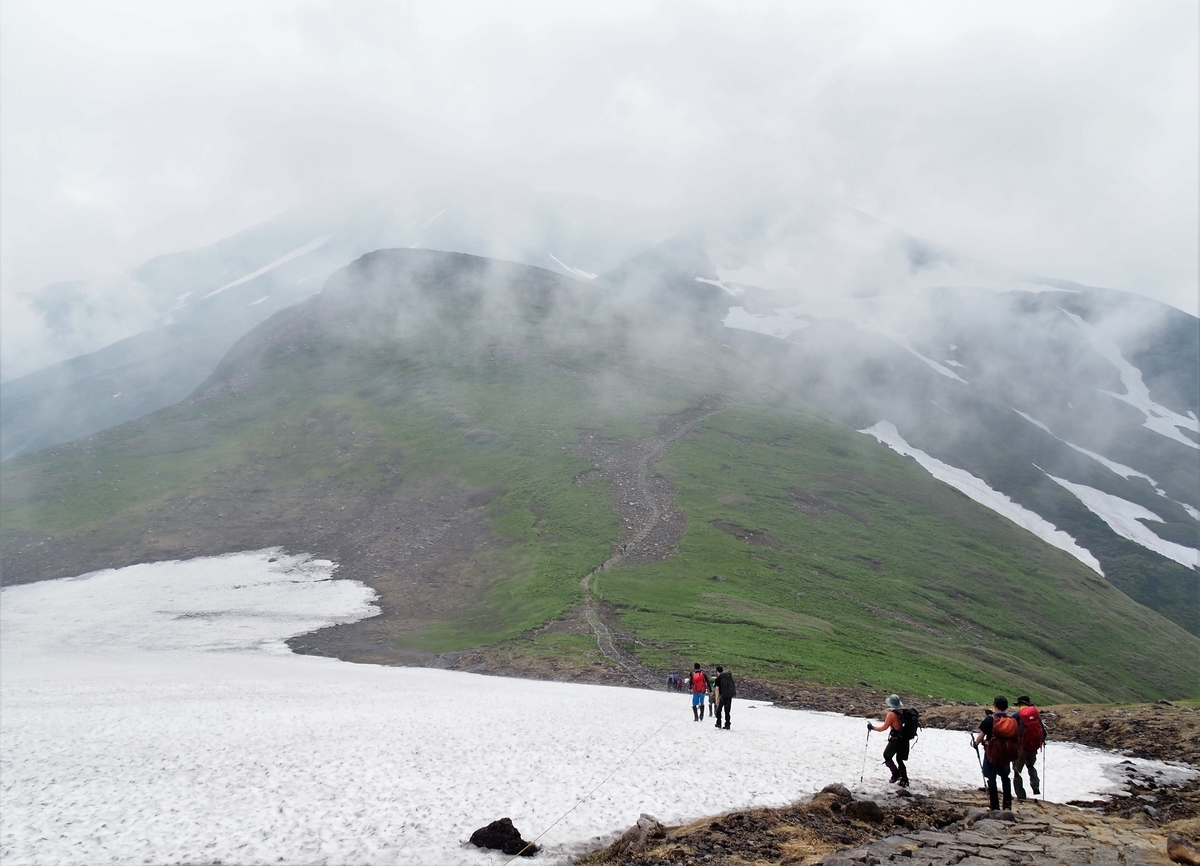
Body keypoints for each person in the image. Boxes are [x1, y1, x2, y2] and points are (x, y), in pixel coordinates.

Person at [973, 695, 1018, 811]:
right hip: (1006, 752)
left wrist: (976, 743)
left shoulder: (990, 719)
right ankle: (1007, 805)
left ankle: (994, 806)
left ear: (995, 706)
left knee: (991, 777)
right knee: (1005, 777)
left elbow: (980, 737)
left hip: (992, 752)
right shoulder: (1012, 720)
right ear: (1006, 707)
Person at [868, 694, 909, 787]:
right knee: (899, 759)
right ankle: (904, 779)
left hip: (895, 740)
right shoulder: (904, 713)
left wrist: (872, 728)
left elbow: (883, 728)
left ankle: (896, 775)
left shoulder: (891, 714)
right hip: (905, 740)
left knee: (886, 756)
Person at [1012, 695, 1045, 801]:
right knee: (1030, 765)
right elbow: (1042, 730)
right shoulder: (1035, 715)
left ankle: (1021, 796)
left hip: (1021, 747)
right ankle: (1035, 786)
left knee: (1017, 771)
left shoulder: (1017, 715)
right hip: (1033, 746)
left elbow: (1012, 731)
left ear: (1019, 705)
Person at [713, 665, 735, 729]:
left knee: (719, 710)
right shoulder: (728, 677)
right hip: (729, 695)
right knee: (727, 711)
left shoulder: (718, 678)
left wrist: (717, 699)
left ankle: (718, 723)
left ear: (717, 671)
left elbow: (717, 689)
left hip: (722, 696)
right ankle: (727, 724)